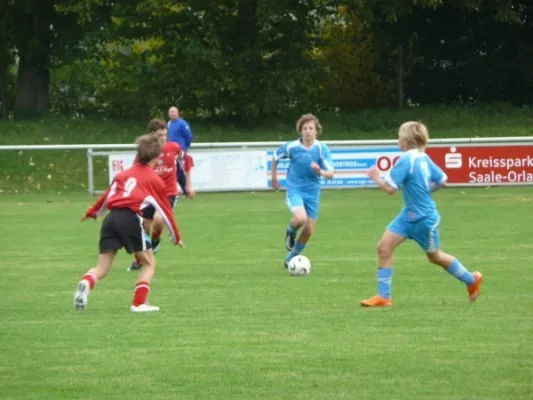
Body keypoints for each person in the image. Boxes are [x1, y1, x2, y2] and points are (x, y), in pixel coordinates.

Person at [361, 121, 483, 307]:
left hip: (424, 219)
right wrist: (426, 190)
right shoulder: (423, 158)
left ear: (406, 140)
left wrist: (375, 177)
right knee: (383, 247)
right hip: (407, 216)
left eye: (399, 136)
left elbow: (390, 189)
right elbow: (443, 180)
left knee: (435, 257)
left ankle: (471, 280)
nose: (398, 140)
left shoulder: (406, 160)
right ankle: (384, 297)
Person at [74, 134, 184, 313]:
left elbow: (106, 197)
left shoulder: (123, 175)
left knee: (102, 267)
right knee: (148, 263)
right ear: (156, 157)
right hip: (129, 219)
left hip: (110, 219)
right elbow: (165, 211)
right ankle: (139, 303)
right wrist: (175, 237)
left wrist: (92, 212)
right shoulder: (154, 180)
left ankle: (86, 282)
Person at [127, 119, 194, 271]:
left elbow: (187, 160)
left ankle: (155, 241)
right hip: (148, 195)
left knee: (158, 219)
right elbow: (134, 171)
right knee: (144, 227)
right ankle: (140, 258)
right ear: (152, 135)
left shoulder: (174, 147)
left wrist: (188, 184)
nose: (163, 138)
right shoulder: (146, 152)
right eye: (159, 135)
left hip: (168, 194)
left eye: (165, 134)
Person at [271, 113, 334, 268]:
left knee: (308, 230)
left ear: (316, 131)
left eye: (310, 128)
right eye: (304, 128)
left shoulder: (321, 149)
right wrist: (274, 177)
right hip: (295, 189)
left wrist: (320, 171)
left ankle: (290, 259)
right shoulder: (292, 147)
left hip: (312, 192)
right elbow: (275, 156)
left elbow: (331, 174)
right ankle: (290, 232)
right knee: (300, 219)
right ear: (300, 130)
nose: (307, 131)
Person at [167, 106, 194, 197]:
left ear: (178, 113)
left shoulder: (182, 123)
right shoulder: (169, 124)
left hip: (180, 152)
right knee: (176, 171)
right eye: (171, 112)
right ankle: (184, 190)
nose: (172, 113)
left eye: (174, 112)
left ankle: (182, 189)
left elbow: (189, 136)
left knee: (179, 171)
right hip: (170, 152)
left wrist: (185, 147)